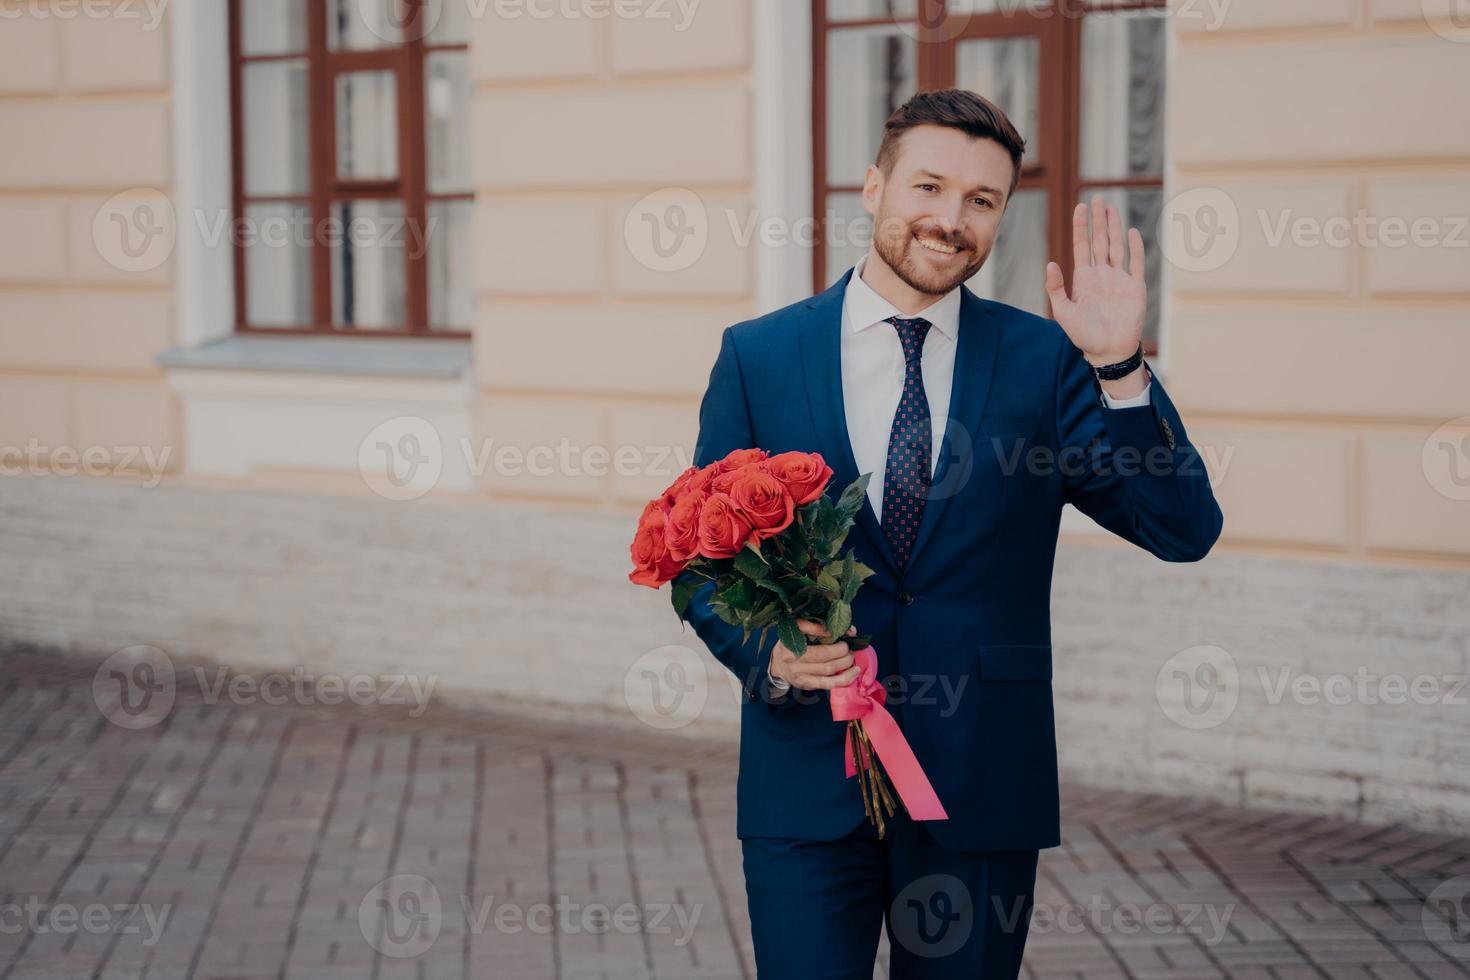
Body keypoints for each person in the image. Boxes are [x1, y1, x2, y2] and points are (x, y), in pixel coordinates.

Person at [681, 87, 1223, 978]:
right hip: (808, 781)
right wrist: (767, 655)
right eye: (928, 187)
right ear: (873, 187)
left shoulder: (1045, 361)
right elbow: (699, 556)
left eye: (982, 201)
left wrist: (1122, 368)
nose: (950, 219)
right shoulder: (760, 356)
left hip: (980, 781)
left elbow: (1182, 528)